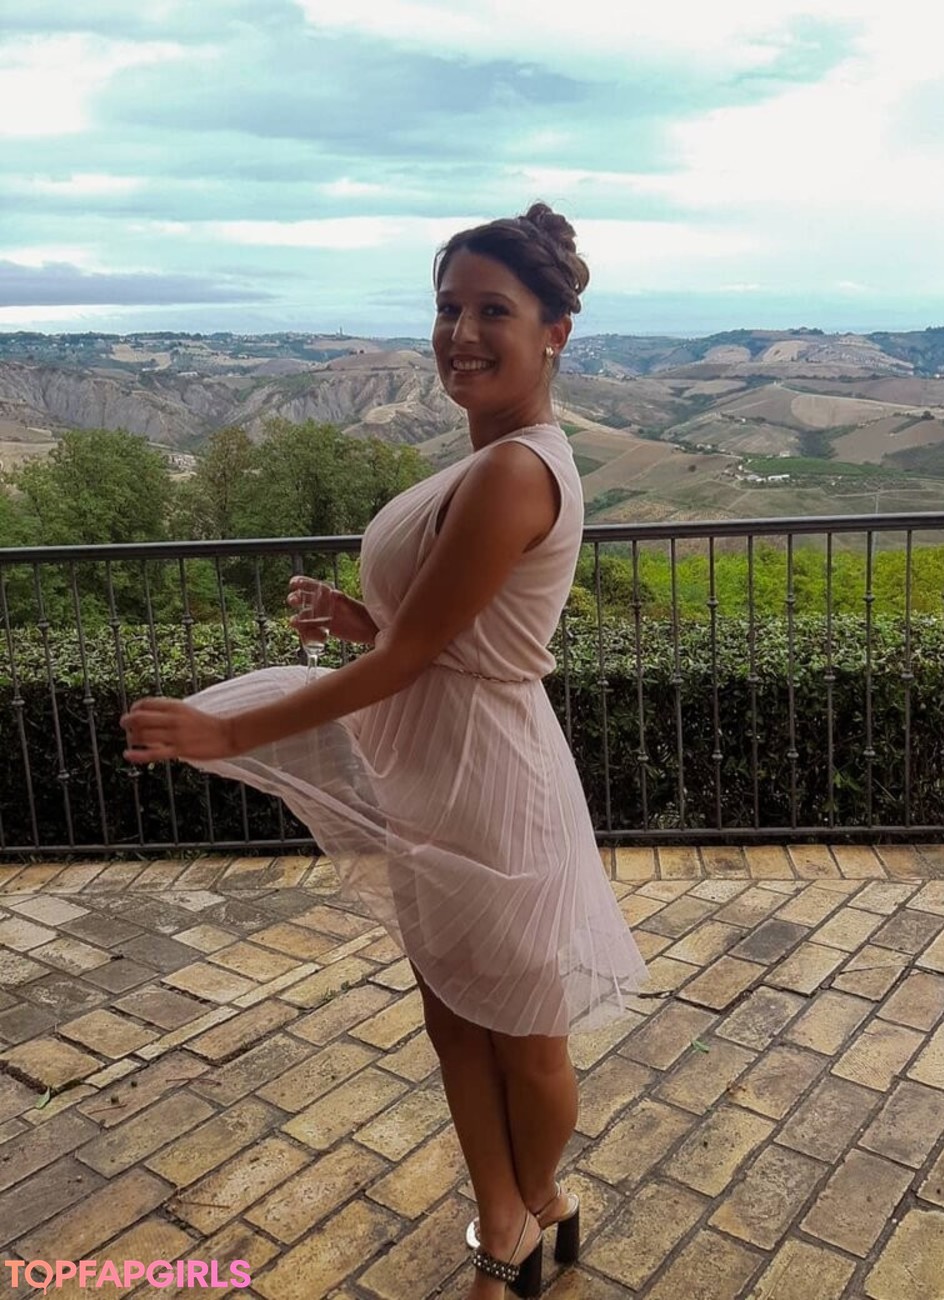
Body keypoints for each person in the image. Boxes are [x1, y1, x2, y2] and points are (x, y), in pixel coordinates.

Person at [121, 202, 646, 1299]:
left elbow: (413, 660)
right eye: (449, 307)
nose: (462, 332)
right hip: (438, 773)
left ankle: (543, 1198)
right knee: (453, 1015)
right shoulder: (489, 459)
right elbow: (441, 634)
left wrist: (230, 731)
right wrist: (364, 618)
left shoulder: (515, 469)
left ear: (555, 331)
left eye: (493, 310)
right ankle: (501, 1217)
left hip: (491, 784)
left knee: (527, 1036)